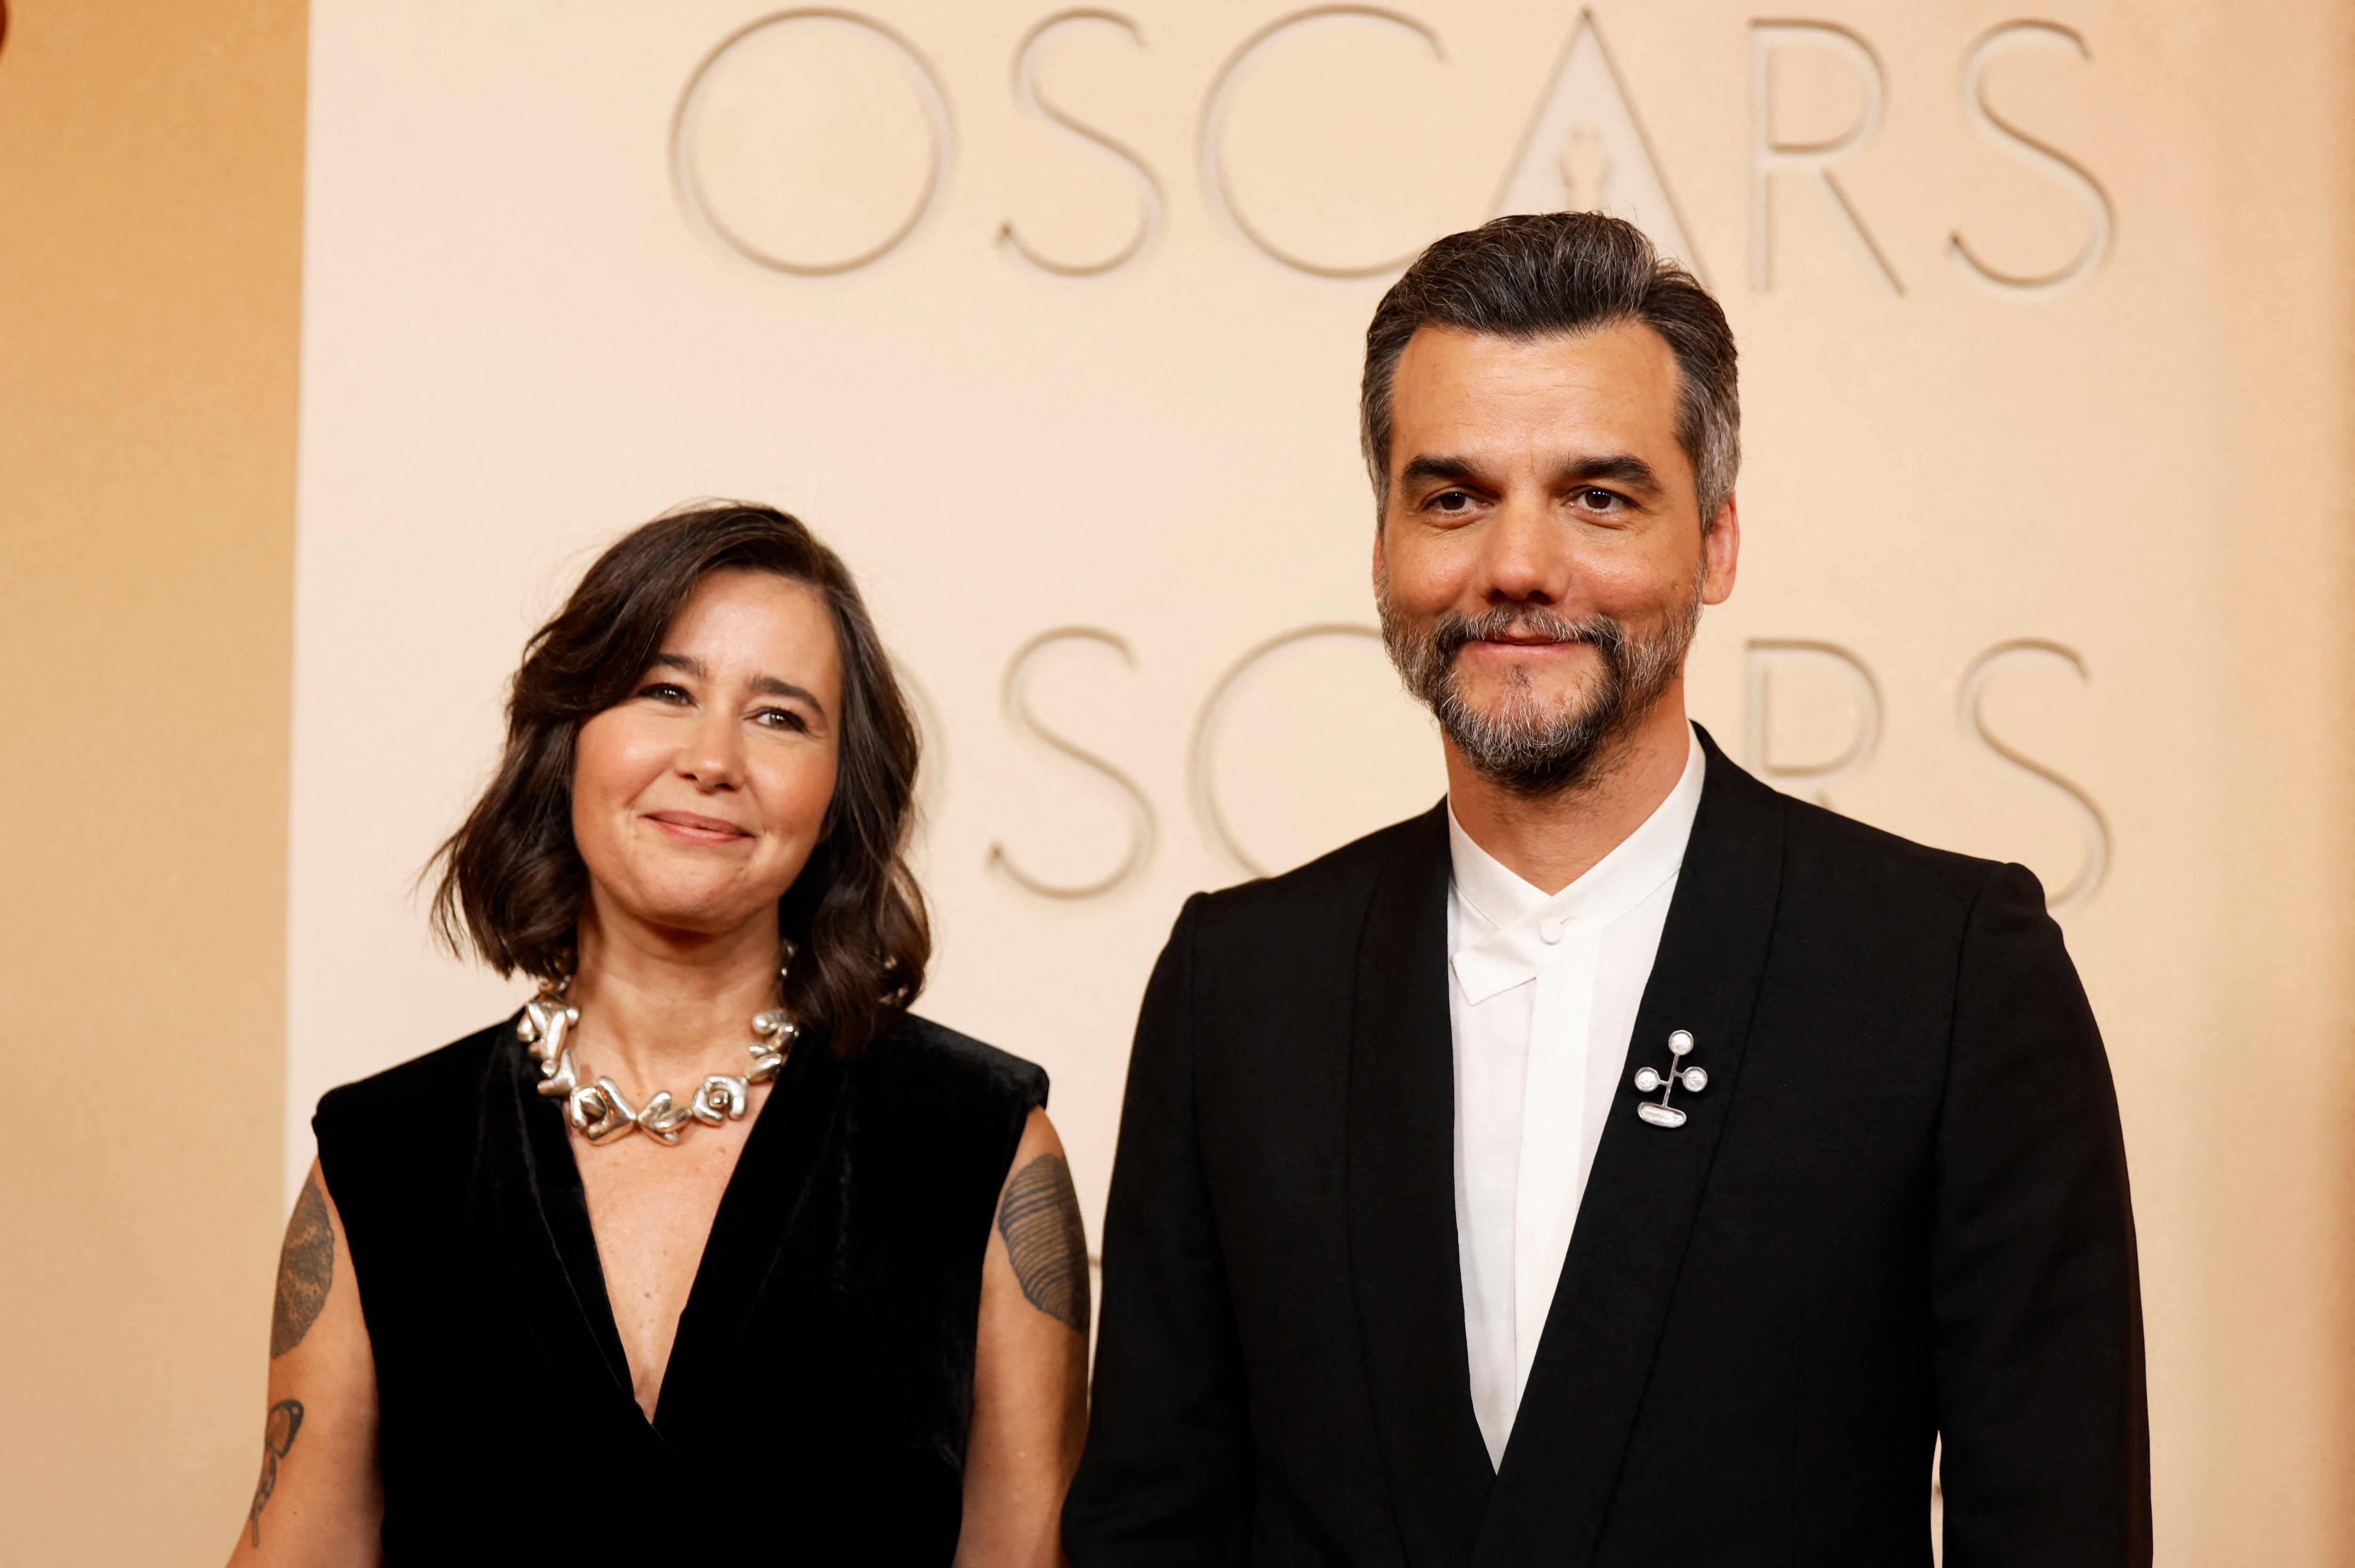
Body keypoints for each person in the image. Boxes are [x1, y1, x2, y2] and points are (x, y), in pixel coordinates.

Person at [1064, 214, 2148, 1565]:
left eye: (1598, 497)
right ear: (1384, 544)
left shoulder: (1950, 977)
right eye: (1452, 498)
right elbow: (1149, 1526)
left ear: (1717, 542)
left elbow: (2057, 1530)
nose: (1518, 565)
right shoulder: (1237, 987)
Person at [229, 504, 1089, 1565]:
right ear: (568, 740)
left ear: (840, 792)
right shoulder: (385, 1156)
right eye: (665, 692)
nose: (712, 758)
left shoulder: (981, 1144)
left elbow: (1027, 1551)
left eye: (780, 717)